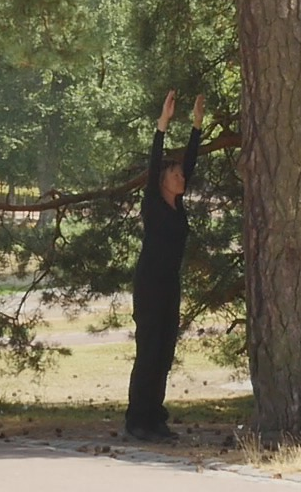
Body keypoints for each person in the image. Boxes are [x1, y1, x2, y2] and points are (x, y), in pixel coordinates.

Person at [125, 89, 204, 442]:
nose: (181, 178)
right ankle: (136, 420)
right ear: (162, 181)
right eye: (175, 175)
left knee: (165, 352)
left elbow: (190, 162)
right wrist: (163, 125)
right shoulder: (153, 204)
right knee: (148, 351)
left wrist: (197, 126)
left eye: (181, 175)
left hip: (170, 284)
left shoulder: (178, 206)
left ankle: (155, 417)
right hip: (149, 285)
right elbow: (156, 161)